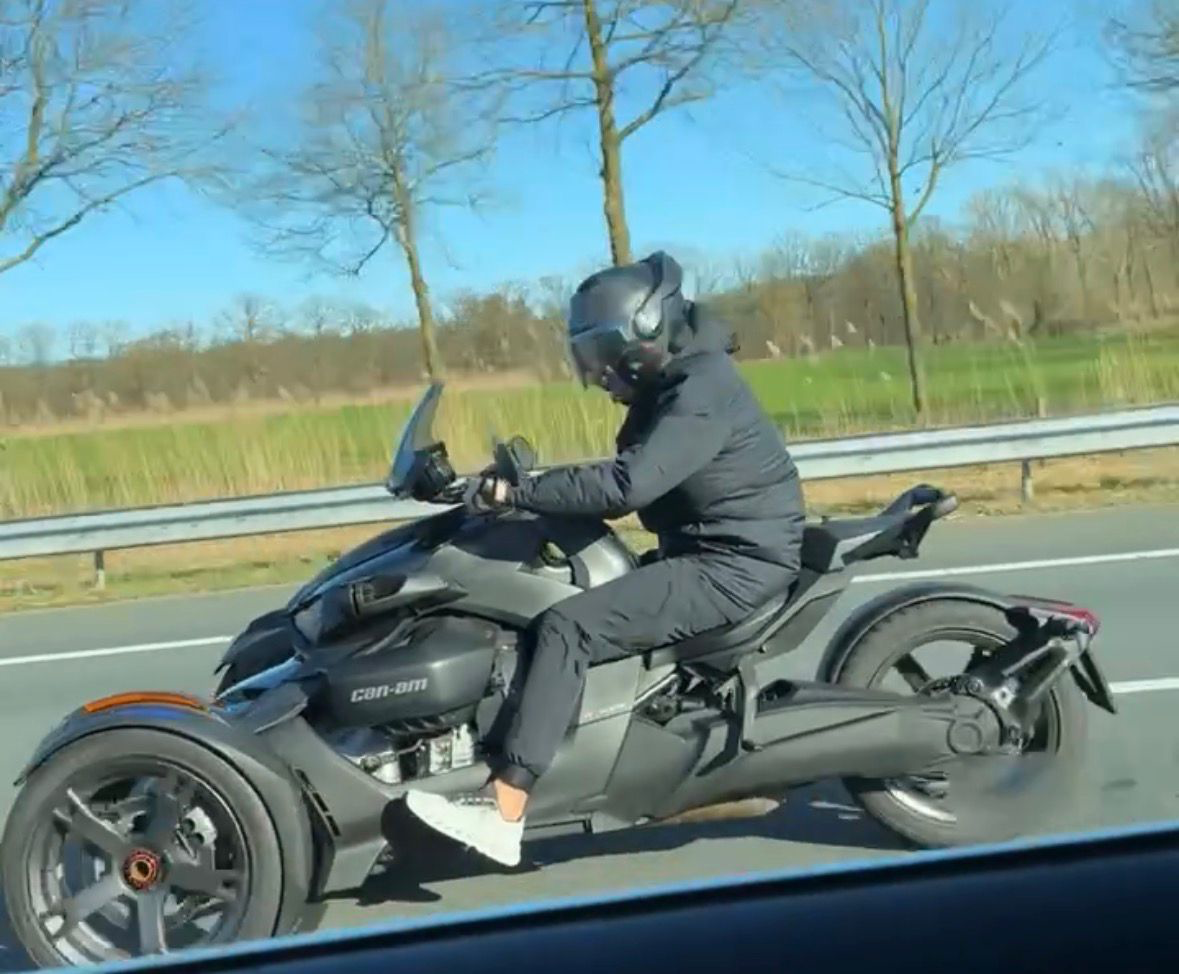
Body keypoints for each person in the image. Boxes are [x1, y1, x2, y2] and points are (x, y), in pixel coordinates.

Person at [403, 251, 806, 867]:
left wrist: (520, 490)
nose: (594, 378)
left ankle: (505, 805)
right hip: (708, 546)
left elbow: (628, 485)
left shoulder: (702, 390)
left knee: (569, 625)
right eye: (585, 362)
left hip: (733, 564)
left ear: (640, 340)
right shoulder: (681, 380)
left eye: (599, 360)